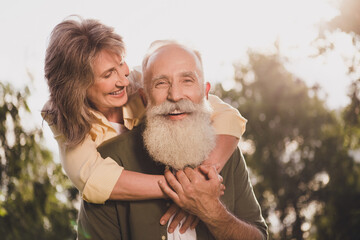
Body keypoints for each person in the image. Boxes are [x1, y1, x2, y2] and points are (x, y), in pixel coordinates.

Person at [42, 16, 247, 230]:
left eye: (121, 62)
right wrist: (183, 191)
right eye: (108, 74)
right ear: (78, 87)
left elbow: (223, 114)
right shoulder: (61, 116)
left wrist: (199, 181)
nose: (123, 79)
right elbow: (93, 178)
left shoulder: (142, 82)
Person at [77, 41, 268, 240]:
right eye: (161, 83)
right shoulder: (110, 159)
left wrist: (212, 212)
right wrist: (181, 189)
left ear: (204, 93)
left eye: (187, 80)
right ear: (144, 97)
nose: (175, 96)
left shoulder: (227, 152)